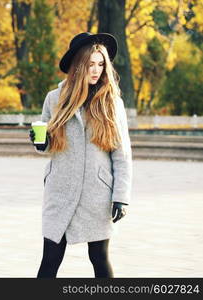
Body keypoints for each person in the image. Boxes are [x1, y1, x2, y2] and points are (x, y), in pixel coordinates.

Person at [29, 32, 132, 278]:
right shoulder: (54, 99)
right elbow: (47, 141)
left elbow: (122, 153)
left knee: (99, 257)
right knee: (50, 258)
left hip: (97, 194)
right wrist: (40, 143)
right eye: (90, 65)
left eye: (100, 64)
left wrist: (121, 196)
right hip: (60, 190)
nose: (95, 70)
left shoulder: (111, 102)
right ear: (77, 66)